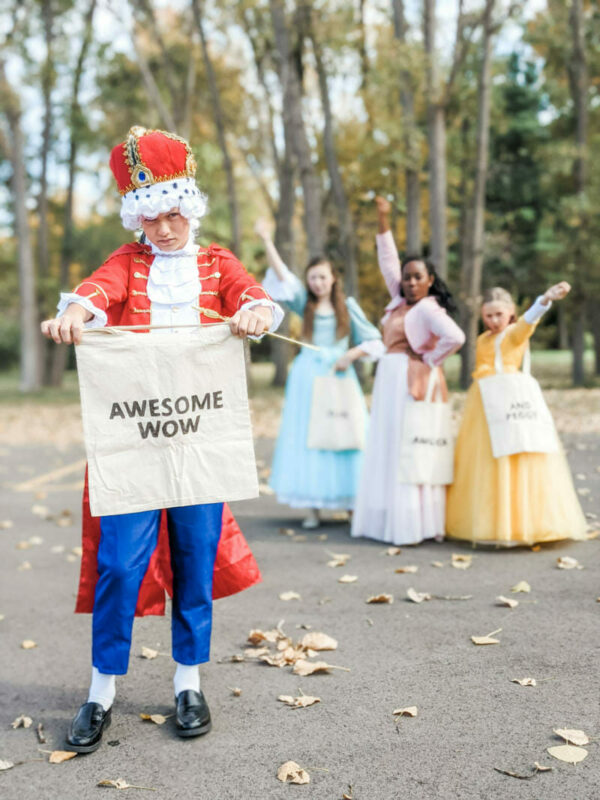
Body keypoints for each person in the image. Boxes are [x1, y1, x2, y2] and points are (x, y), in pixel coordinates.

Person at [41, 126, 283, 752]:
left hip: (198, 439)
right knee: (119, 564)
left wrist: (257, 311)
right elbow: (98, 293)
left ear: (189, 205)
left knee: (194, 557)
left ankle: (188, 680)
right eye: (150, 218)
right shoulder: (128, 261)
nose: (164, 229)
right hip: (138, 441)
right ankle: (101, 690)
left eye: (172, 213)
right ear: (137, 218)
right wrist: (74, 313)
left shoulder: (217, 261)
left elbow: (251, 295)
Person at [351, 197, 465, 545]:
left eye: (418, 277)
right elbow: (388, 260)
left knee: (410, 446)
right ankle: (386, 518)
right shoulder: (399, 302)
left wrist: (429, 360)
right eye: (407, 277)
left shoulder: (429, 309)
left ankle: (415, 522)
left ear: (430, 280)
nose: (410, 282)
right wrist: (383, 218)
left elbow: (455, 337)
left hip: (410, 379)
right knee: (387, 443)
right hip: (389, 377)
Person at [255, 218, 382, 529]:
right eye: (313, 278)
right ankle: (312, 506)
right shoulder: (304, 304)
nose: (318, 283)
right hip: (308, 376)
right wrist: (266, 239)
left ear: (333, 278)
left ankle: (351, 503)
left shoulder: (347, 306)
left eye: (323, 277)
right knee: (309, 436)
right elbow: (283, 275)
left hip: (338, 374)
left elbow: (373, 340)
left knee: (345, 432)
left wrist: (350, 355)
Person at [446, 283, 587, 545]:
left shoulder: (512, 334)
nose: (493, 321)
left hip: (507, 400)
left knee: (514, 455)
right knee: (487, 462)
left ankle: (522, 522)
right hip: (484, 405)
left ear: (510, 313)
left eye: (499, 314)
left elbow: (528, 322)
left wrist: (544, 299)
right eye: (488, 315)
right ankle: (490, 520)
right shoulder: (482, 339)